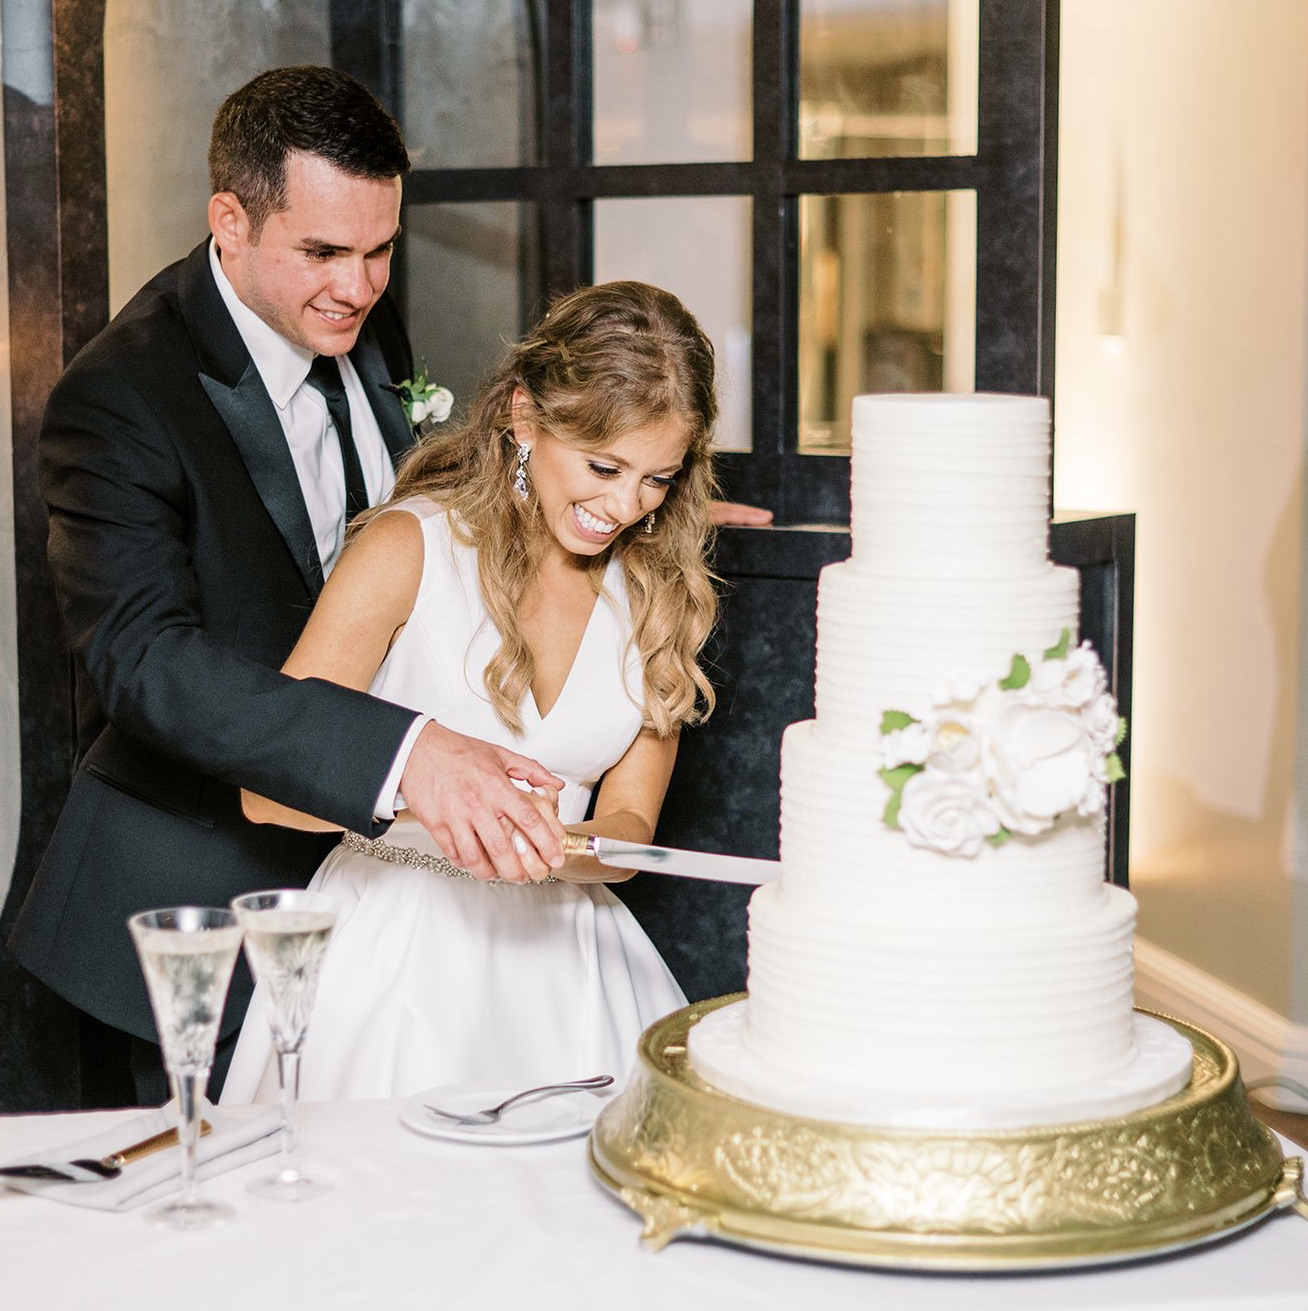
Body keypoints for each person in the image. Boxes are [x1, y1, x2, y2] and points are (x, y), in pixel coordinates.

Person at [8, 66, 567, 1109]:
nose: (357, 287)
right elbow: (146, 663)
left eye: (379, 251)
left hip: (358, 911)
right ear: (230, 219)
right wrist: (404, 757)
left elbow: (426, 501)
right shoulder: (119, 397)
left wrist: (602, 498)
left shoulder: (361, 324)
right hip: (188, 913)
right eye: (322, 252)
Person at [221, 280, 719, 1101]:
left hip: (570, 972)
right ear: (525, 417)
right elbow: (265, 793)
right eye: (604, 466)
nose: (624, 507)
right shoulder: (409, 549)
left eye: (656, 479)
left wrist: (563, 847)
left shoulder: (660, 594)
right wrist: (449, 812)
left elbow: (630, 826)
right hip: (395, 953)